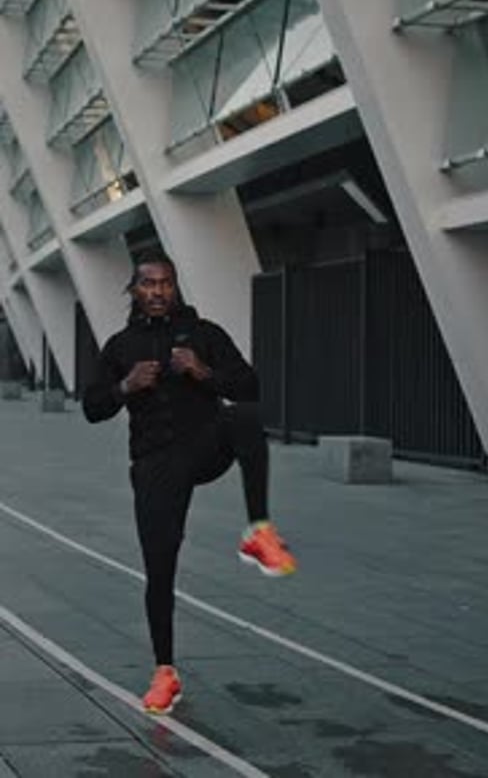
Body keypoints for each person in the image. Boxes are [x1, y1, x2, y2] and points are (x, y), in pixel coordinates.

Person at [82, 250, 297, 714]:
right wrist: (125, 387)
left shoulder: (205, 334)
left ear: (175, 287)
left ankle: (259, 531)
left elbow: (249, 386)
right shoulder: (120, 346)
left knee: (244, 418)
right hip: (156, 464)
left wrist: (203, 373)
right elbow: (93, 407)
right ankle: (165, 672)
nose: (158, 291)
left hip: (204, 447)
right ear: (134, 291)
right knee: (160, 569)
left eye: (166, 283)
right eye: (148, 283)